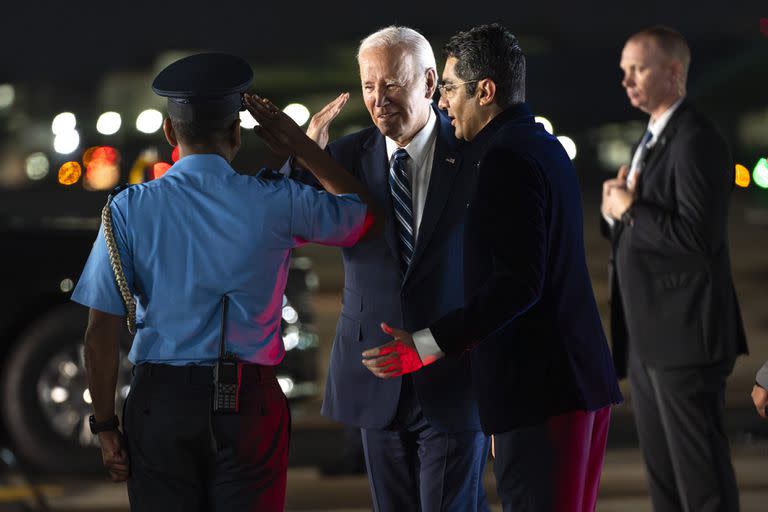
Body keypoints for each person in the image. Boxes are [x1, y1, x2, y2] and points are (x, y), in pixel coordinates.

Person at [71, 52, 373, 511]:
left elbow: (100, 335)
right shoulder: (277, 201)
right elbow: (361, 215)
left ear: (170, 133)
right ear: (236, 132)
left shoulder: (128, 209)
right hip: (249, 405)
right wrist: (304, 148)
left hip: (160, 405)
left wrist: (107, 426)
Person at [362, 23, 623, 512]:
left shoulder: (502, 159)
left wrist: (427, 343)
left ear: (486, 91)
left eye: (453, 90)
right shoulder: (539, 144)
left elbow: (517, 284)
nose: (442, 103)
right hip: (568, 384)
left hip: (541, 394)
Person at [282, 25, 489, 511]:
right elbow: (285, 216)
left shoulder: (475, 153)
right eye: (370, 86)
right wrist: (306, 153)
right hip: (375, 373)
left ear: (429, 82)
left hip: (454, 369)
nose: (379, 99)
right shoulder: (346, 158)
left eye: (392, 84)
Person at [600, 26, 747, 512]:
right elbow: (645, 227)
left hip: (686, 339)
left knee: (699, 481)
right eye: (623, 71)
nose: (626, 80)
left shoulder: (695, 138)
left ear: (674, 71)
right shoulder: (653, 136)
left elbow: (696, 240)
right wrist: (613, 212)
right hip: (651, 337)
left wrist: (630, 212)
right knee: (665, 481)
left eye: (637, 69)